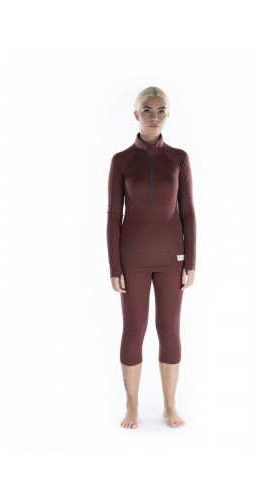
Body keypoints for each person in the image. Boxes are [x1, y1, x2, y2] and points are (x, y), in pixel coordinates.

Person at [106, 86, 197, 429]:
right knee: (134, 328)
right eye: (147, 110)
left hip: (172, 258)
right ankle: (131, 405)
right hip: (133, 259)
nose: (154, 116)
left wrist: (191, 262)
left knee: (169, 328)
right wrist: (114, 267)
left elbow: (187, 211)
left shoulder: (179, 159)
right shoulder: (121, 161)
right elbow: (113, 216)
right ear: (136, 114)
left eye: (161, 111)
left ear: (167, 115)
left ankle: (170, 406)